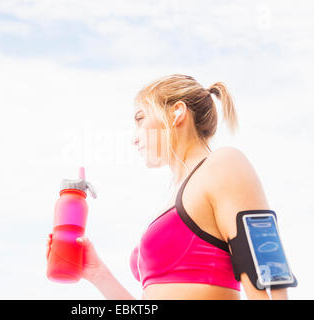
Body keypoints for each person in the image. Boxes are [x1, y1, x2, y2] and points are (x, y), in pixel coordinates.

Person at [46, 74, 288, 300]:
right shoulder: (169, 200)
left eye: (141, 119)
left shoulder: (224, 164)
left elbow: (268, 271)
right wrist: (98, 274)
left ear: (176, 113)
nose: (135, 137)